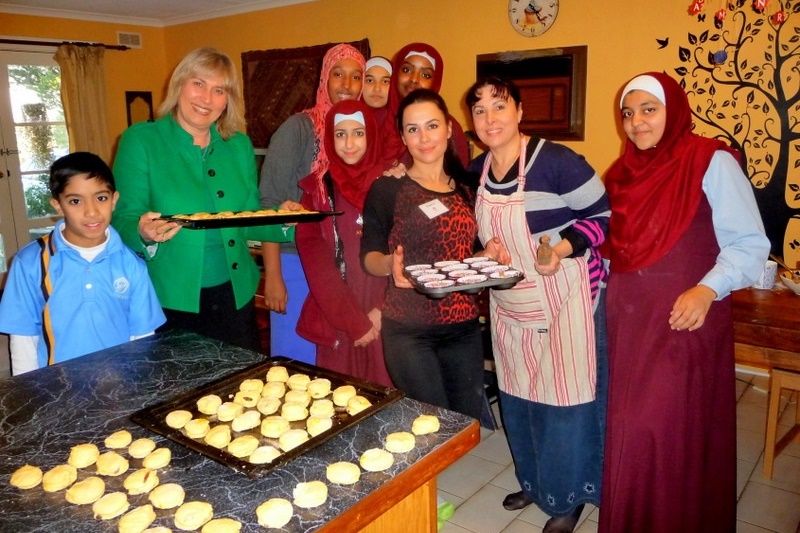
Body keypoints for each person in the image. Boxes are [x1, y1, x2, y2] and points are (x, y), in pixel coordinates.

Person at [598, 72, 770, 533]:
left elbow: (750, 243)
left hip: (686, 317)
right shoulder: (621, 173)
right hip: (630, 320)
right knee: (631, 427)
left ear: (672, 110)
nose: (636, 123)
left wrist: (707, 288)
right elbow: (614, 247)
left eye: (648, 110)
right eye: (628, 113)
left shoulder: (710, 160)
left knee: (664, 429)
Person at [466, 77, 610, 532]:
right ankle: (534, 482)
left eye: (499, 106)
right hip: (510, 304)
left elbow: (604, 217)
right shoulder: (477, 171)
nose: (490, 118)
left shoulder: (558, 161)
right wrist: (487, 250)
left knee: (565, 403)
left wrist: (562, 248)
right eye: (480, 110)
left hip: (566, 298)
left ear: (521, 111)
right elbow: (479, 234)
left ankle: (568, 499)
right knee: (519, 399)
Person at [112, 47, 293, 353]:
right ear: (179, 84)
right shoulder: (141, 141)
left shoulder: (238, 145)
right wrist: (143, 232)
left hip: (235, 293)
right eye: (198, 84)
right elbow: (121, 218)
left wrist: (284, 219)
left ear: (227, 99)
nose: (206, 99)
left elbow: (248, 218)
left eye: (218, 90)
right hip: (170, 296)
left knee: (240, 388)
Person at [361, 89, 503, 419]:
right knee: (430, 423)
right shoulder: (388, 188)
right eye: (413, 129)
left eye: (432, 126)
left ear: (449, 129)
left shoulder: (468, 187)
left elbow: (468, 255)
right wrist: (390, 266)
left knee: (464, 420)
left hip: (464, 328)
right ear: (403, 137)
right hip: (409, 330)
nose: (424, 137)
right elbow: (368, 256)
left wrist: (488, 253)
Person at [0, 152, 165, 375]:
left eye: (101, 198)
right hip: (56, 389)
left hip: (118, 390)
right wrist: (29, 395)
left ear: (114, 200)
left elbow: (143, 336)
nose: (91, 211)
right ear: (58, 205)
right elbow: (23, 339)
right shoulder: (29, 263)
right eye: (75, 201)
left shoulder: (132, 264)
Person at [259, 44, 366, 363]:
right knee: (296, 364)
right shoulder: (298, 129)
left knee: (338, 367)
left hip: (346, 271)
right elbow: (269, 203)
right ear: (324, 78)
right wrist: (274, 276)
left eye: (355, 76)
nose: (346, 84)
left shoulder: (361, 134)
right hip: (296, 264)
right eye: (338, 74)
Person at [295, 99, 392, 387]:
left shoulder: (392, 185)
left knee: (388, 401)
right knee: (338, 401)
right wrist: (353, 321)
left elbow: (409, 251)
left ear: (371, 136)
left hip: (386, 316)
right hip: (337, 317)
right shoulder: (316, 192)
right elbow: (316, 261)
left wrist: (382, 309)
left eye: (358, 133)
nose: (349, 143)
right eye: (340, 134)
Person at [379, 43, 471, 169]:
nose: (414, 79)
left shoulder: (447, 128)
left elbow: (458, 178)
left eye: (425, 75)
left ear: (435, 82)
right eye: (407, 70)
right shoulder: (376, 120)